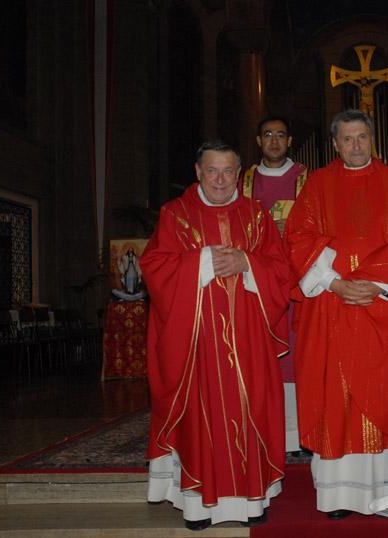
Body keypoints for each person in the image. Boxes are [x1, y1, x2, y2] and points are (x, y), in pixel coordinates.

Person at [142, 141, 291, 531]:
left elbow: (281, 271)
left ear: (239, 174)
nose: (221, 180)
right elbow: (155, 267)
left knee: (252, 408)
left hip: (248, 342)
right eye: (213, 171)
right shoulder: (175, 214)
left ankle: (252, 502)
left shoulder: (257, 216)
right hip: (197, 344)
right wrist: (203, 260)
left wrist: (248, 262)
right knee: (200, 417)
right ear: (198, 172)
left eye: (228, 171)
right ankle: (199, 507)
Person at [285, 109, 388, 518]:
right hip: (332, 309)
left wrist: (373, 284)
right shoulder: (317, 185)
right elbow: (297, 238)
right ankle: (340, 496)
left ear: (372, 139)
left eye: (363, 137)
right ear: (335, 143)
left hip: (382, 307)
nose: (356, 145)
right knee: (335, 396)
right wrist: (336, 283)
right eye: (348, 139)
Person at [242, 115, 309, 454]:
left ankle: (299, 435)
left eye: (280, 135)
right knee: (265, 352)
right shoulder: (244, 181)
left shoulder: (306, 179)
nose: (273, 141)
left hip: (297, 280)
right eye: (267, 134)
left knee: (298, 354)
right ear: (258, 141)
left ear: (290, 140)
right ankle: (267, 430)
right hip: (259, 280)